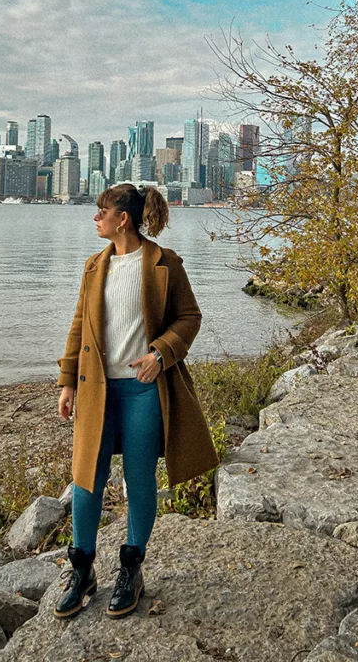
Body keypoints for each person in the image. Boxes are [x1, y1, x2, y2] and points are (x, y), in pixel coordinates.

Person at [54, 183, 219, 620]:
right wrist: (67, 381)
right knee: (86, 481)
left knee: (140, 481)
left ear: (121, 218)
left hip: (144, 390)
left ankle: (131, 568)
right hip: (97, 392)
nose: (96, 218)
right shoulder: (94, 266)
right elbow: (79, 328)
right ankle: (82, 569)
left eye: (101, 211)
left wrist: (161, 353)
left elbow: (190, 317)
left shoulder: (164, 263)